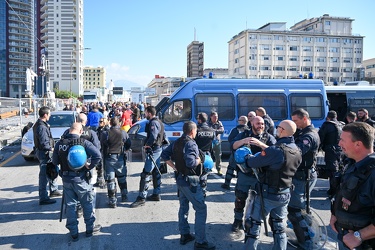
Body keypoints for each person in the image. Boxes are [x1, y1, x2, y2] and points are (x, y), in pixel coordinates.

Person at [241, 120, 302, 250]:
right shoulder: (297, 150)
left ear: (282, 130)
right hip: (285, 193)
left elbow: (252, 162)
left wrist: (246, 157)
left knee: (254, 226)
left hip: (268, 194)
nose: (276, 129)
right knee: (279, 227)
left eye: (278, 127)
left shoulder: (277, 151)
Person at [161, 121, 216, 250]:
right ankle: (200, 242)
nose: (196, 133)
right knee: (201, 209)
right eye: (195, 131)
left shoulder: (177, 141)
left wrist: (175, 168)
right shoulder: (191, 144)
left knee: (183, 207)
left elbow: (164, 155)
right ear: (192, 131)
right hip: (190, 182)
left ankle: (184, 234)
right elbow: (191, 163)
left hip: (181, 180)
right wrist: (200, 159)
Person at [52, 123, 102, 241]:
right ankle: (89, 229)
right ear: (80, 132)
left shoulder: (60, 144)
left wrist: (61, 171)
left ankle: (74, 232)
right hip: (81, 179)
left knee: (70, 206)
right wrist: (90, 166)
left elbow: (54, 161)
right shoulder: (84, 143)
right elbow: (98, 155)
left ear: (69, 130)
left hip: (66, 180)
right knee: (87, 204)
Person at [330, 122, 375, 250]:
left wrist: (359, 236)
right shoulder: (353, 163)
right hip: (346, 235)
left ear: (358, 144)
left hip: (363, 243)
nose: (339, 144)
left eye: (343, 140)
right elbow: (344, 192)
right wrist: (335, 214)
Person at [230, 116, 276, 232]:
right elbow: (233, 146)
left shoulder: (268, 137)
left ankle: (255, 223)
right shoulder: (244, 134)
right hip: (245, 173)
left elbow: (276, 152)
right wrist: (243, 141)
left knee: (260, 199)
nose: (260, 126)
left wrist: (261, 144)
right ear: (252, 124)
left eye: (262, 124)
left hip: (262, 174)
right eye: (258, 124)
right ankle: (237, 220)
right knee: (240, 197)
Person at [289, 108, 320, 249]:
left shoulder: (309, 135)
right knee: (299, 209)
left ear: (305, 119)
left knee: (296, 210)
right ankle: (304, 238)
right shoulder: (303, 132)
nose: (294, 124)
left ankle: (306, 242)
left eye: (296, 121)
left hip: (304, 176)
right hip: (301, 175)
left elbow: (297, 152)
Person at [130, 106, 165, 208]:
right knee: (156, 172)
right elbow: (163, 136)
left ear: (149, 113)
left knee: (146, 173)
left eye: (145, 113)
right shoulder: (159, 121)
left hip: (154, 150)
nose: (145, 115)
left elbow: (153, 136)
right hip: (158, 149)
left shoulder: (154, 122)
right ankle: (156, 193)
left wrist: (147, 145)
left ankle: (141, 198)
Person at [33, 106, 62, 205]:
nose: (50, 116)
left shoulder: (41, 124)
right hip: (44, 153)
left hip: (44, 153)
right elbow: (44, 142)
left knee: (52, 170)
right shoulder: (41, 126)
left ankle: (53, 190)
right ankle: (43, 197)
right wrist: (52, 149)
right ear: (45, 115)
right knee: (44, 175)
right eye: (49, 114)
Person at [100, 117, 131, 208]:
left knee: (110, 180)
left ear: (110, 123)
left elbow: (102, 144)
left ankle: (112, 201)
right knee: (121, 178)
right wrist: (124, 150)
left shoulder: (106, 133)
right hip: (120, 157)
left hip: (109, 158)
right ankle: (124, 195)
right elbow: (129, 144)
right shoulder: (123, 133)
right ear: (119, 123)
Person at [318, 110, 343, 195]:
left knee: (332, 171)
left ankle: (333, 190)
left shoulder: (327, 125)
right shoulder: (341, 124)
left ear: (328, 117)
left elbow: (321, 137)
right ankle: (339, 188)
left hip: (330, 150)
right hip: (341, 149)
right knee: (340, 168)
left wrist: (318, 148)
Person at [221, 115, 248, 190]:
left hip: (235, 152)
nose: (238, 121)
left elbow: (230, 139)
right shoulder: (249, 130)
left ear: (242, 121)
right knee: (242, 170)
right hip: (245, 153)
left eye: (239, 120)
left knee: (230, 168)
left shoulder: (235, 129)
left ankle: (227, 184)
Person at [195, 112, 215, 196]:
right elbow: (212, 143)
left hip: (198, 154)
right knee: (204, 174)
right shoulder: (211, 130)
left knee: (196, 173)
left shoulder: (197, 129)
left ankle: (197, 191)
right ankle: (203, 190)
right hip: (207, 154)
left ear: (200, 119)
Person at [95, 117, 110, 187]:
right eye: (99, 121)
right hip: (99, 149)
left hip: (105, 150)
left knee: (104, 166)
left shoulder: (107, 130)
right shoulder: (98, 130)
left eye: (101, 121)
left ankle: (105, 182)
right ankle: (99, 180)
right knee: (99, 166)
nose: (100, 123)